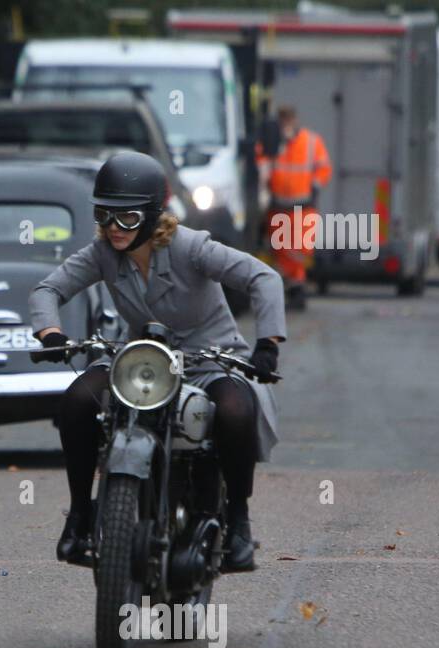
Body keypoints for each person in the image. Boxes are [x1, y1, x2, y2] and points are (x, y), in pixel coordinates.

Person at [29, 151, 285, 573]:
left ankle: (238, 521)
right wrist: (50, 334)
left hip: (209, 360)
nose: (114, 229)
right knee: (77, 401)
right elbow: (47, 290)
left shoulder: (192, 247)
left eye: (127, 219)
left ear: (151, 216)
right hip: (141, 361)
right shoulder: (102, 254)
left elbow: (263, 277)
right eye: (105, 216)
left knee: (236, 411)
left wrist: (268, 344)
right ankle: (80, 516)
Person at [257, 105, 332, 310]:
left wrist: (315, 188)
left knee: (299, 249)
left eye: (289, 120)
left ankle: (296, 287)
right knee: (281, 249)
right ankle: (292, 289)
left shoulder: (310, 141)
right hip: (278, 205)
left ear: (295, 120)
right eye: (283, 121)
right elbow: (261, 164)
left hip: (303, 206)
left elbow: (324, 168)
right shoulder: (271, 143)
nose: (286, 125)